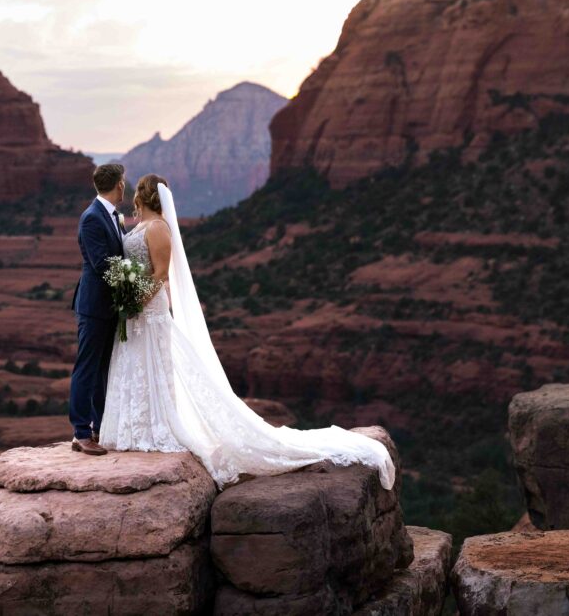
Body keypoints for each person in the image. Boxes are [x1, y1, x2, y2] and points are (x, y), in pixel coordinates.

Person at [97, 174, 396, 490]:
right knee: (136, 364)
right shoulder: (142, 226)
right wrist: (125, 291)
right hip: (134, 309)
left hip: (149, 308)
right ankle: (132, 428)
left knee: (155, 364)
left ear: (141, 198)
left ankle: (155, 428)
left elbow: (160, 274)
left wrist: (137, 299)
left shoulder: (158, 228)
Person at [68, 163, 127, 456]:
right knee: (87, 368)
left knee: (103, 369)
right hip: (93, 307)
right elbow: (101, 263)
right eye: (123, 182)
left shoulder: (114, 216)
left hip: (107, 307)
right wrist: (132, 282)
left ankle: (100, 428)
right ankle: (81, 433)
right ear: (119, 185)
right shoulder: (92, 218)